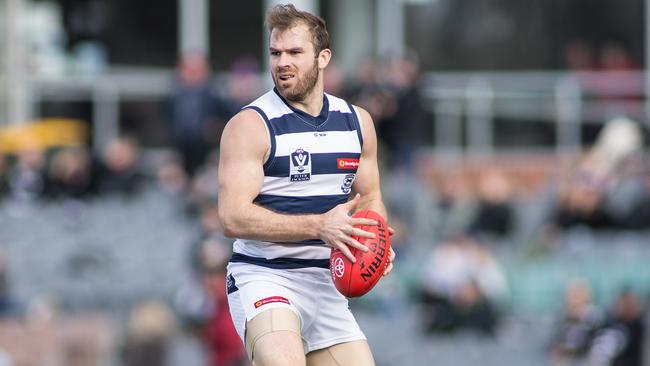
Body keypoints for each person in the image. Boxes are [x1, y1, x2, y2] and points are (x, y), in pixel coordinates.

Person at [217, 4, 395, 366]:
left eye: (295, 52)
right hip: (266, 278)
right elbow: (232, 218)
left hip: (326, 285)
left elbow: (371, 198)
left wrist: (376, 242)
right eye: (275, 53)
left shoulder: (357, 123)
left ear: (323, 57)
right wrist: (318, 226)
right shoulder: (251, 125)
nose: (283, 62)